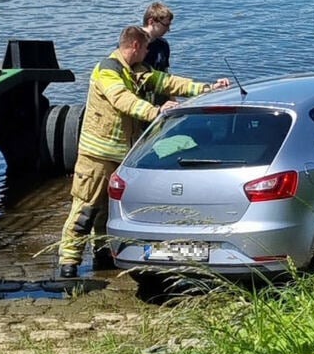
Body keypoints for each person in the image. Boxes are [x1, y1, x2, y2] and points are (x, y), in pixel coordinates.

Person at [57, 26, 229, 278]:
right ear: (135, 46)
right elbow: (123, 100)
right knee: (85, 210)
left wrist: (208, 88)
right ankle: (68, 264)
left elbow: (169, 82)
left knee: (108, 211)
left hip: (123, 157)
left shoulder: (137, 71)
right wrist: (156, 112)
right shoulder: (107, 71)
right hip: (96, 157)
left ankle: (102, 255)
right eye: (146, 47)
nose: (149, 52)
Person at [140, 2, 175, 106]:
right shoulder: (134, 43)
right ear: (151, 22)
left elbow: (165, 73)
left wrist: (173, 100)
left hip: (160, 98)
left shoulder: (163, 44)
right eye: (166, 25)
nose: (168, 29)